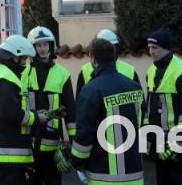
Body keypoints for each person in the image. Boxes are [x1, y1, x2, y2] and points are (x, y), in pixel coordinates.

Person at [71, 38, 144, 184]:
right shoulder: (134, 86)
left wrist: (77, 161)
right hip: (134, 173)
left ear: (93, 58)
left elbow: (85, 132)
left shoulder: (91, 90)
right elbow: (141, 123)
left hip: (103, 176)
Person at [145, 28, 182, 185]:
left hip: (180, 143)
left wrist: (175, 142)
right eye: (149, 47)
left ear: (166, 48)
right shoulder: (151, 71)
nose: (151, 52)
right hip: (160, 142)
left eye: (155, 48)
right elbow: (150, 108)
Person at [23, 27, 76, 185]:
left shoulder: (63, 74)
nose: (43, 49)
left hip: (53, 144)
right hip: (29, 142)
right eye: (38, 45)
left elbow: (70, 110)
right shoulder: (23, 74)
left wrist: (73, 141)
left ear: (51, 46)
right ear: (33, 48)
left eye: (45, 44)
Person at [0, 34, 41, 185]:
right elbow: (11, 114)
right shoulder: (5, 78)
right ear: (13, 57)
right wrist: (36, 119)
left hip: (11, 149)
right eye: (23, 59)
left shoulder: (5, 75)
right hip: (9, 150)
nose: (25, 63)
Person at [75, 29, 141, 96]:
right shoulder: (85, 70)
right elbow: (80, 98)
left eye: (113, 48)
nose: (110, 52)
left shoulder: (130, 70)